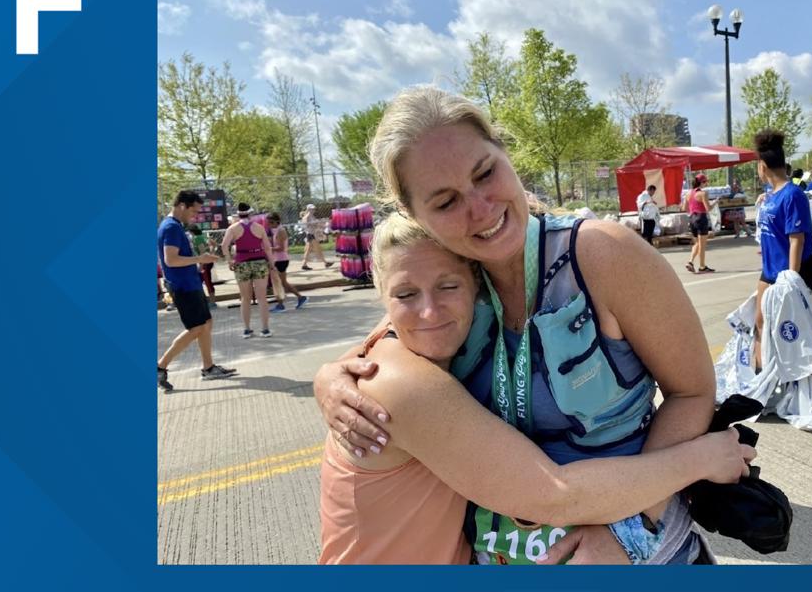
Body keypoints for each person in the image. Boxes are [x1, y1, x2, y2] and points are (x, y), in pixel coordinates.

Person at [315, 86, 725, 565]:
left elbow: (693, 392)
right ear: (414, 215)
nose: (481, 209)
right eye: (445, 202)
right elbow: (389, 347)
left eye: (485, 173)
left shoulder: (600, 255)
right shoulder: (454, 284)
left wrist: (633, 530)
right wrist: (330, 379)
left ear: (505, 153)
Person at [319, 212, 755, 564]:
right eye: (405, 294)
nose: (429, 310)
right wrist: (700, 458)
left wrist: (328, 372)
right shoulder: (396, 381)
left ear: (476, 285)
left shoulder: (431, 349)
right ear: (381, 295)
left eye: (448, 286)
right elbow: (553, 495)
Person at [752, 129, 812, 371]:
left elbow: (796, 241)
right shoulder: (771, 195)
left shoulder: (793, 194)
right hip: (771, 268)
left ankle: (799, 374)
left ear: (763, 165)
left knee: (788, 325)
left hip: (796, 268)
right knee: (760, 320)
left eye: (757, 165)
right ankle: (759, 379)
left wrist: (792, 280)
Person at [157, 191, 237, 392]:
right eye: (194, 210)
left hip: (189, 283)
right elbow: (171, 260)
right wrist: (200, 259)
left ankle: (208, 367)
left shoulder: (175, 226)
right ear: (182, 206)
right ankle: (160, 366)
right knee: (196, 328)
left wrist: (199, 260)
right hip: (183, 286)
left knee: (206, 323)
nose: (195, 215)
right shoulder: (171, 227)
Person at [221, 203, 276, 339]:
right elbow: (267, 248)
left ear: (238, 214)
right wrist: (272, 263)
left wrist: (229, 260)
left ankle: (247, 329)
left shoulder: (233, 228)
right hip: (259, 262)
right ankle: (265, 329)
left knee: (245, 298)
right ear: (250, 214)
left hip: (241, 263)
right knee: (262, 298)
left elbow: (224, 245)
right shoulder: (259, 227)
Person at [266, 212, 308, 312]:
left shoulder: (281, 231)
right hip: (279, 259)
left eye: (271, 222)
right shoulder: (276, 230)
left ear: (276, 221)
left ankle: (283, 304)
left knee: (279, 283)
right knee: (281, 282)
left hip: (281, 259)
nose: (269, 225)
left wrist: (269, 248)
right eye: (268, 223)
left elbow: (281, 248)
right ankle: (299, 298)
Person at [682, 174, 715, 273]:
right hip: (701, 218)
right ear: (701, 182)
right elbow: (708, 208)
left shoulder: (688, 194)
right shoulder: (703, 193)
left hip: (692, 218)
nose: (706, 184)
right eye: (705, 182)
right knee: (702, 245)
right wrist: (715, 203)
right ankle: (702, 266)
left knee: (697, 243)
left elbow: (684, 208)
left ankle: (690, 261)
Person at [187, 224, 218, 308]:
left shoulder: (197, 238)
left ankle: (212, 302)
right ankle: (205, 301)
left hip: (205, 263)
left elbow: (202, 252)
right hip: (208, 261)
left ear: (191, 232)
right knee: (201, 281)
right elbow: (214, 244)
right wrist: (211, 253)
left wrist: (201, 265)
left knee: (207, 281)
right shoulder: (203, 235)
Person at [300, 204, 333, 271]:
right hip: (310, 235)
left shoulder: (312, 216)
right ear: (308, 209)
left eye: (314, 209)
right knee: (317, 249)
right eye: (311, 209)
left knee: (309, 250)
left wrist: (319, 225)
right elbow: (306, 226)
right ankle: (325, 263)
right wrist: (313, 225)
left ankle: (304, 264)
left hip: (312, 234)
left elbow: (316, 225)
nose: (313, 210)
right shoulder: (306, 217)